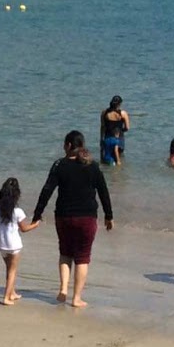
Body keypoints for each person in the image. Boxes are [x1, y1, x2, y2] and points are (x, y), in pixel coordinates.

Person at [33, 130, 113, 308]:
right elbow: (103, 191)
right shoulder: (92, 166)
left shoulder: (59, 165)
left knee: (65, 253)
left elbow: (47, 190)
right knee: (83, 257)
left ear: (69, 146)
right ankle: (76, 298)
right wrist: (109, 216)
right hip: (86, 218)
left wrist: (37, 214)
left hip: (64, 217)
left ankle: (63, 289)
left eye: (64, 145)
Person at [0, 176, 42, 305]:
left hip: (2, 245)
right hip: (14, 246)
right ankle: (6, 297)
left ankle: (12, 293)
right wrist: (35, 225)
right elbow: (24, 229)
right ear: (16, 195)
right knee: (12, 271)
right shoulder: (18, 211)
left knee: (9, 268)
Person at [99, 95, 129, 165]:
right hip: (119, 137)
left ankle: (108, 172)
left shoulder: (104, 112)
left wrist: (101, 138)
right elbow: (127, 128)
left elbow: (103, 126)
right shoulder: (123, 113)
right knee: (119, 157)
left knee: (107, 158)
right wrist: (121, 131)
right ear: (119, 104)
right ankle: (117, 173)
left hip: (107, 137)